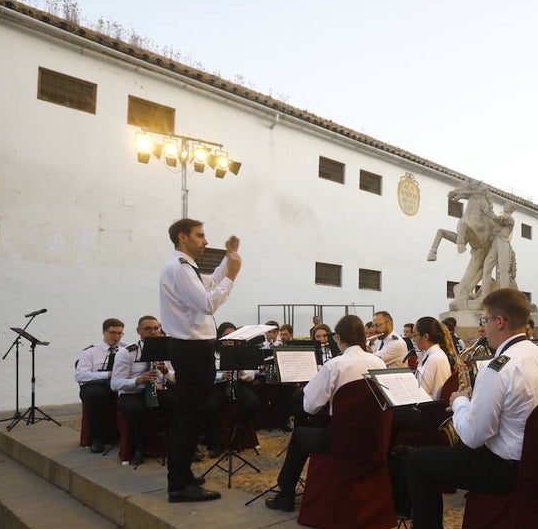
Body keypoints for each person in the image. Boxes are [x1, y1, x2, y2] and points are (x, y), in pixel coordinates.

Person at [388, 288, 538, 529]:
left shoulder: (499, 368)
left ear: (499, 321)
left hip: (508, 468)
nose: (483, 328)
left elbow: (472, 437)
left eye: (484, 320)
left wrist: (459, 400)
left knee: (418, 463)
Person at [265, 315, 385, 511]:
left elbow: (310, 406)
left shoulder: (335, 365)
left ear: (337, 337)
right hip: (372, 435)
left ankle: (285, 495)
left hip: (341, 439)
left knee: (299, 435)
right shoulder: (378, 363)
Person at [158, 218, 241, 503]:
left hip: (194, 349)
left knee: (191, 414)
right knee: (189, 416)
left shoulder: (187, 268)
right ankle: (179, 484)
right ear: (183, 237)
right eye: (200, 235)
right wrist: (232, 277)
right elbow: (207, 304)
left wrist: (229, 260)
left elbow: (209, 283)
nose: (206, 241)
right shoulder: (179, 269)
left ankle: (181, 473)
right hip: (190, 349)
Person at [110, 315, 175, 466]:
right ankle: (138, 449)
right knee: (135, 409)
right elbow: (115, 383)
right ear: (138, 330)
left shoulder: (166, 350)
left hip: (157, 389)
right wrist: (138, 380)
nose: (153, 332)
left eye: (156, 328)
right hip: (133, 392)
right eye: (148, 329)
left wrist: (165, 371)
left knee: (177, 405)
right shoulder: (127, 353)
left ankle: (173, 447)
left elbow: (174, 376)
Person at [205, 322, 261, 458]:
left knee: (252, 403)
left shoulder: (244, 351)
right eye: (226, 336)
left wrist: (242, 372)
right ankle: (217, 443)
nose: (230, 339)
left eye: (233, 335)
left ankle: (240, 438)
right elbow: (205, 374)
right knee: (210, 406)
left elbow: (252, 374)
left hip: (238, 384)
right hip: (219, 385)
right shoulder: (213, 352)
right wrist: (220, 376)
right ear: (220, 337)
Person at [75, 318, 126, 454]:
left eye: (120, 333)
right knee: (95, 395)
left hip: (118, 385)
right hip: (95, 386)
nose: (116, 337)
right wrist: (107, 374)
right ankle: (98, 439)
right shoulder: (90, 352)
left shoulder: (125, 351)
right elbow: (80, 375)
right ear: (104, 332)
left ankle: (126, 439)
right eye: (112, 333)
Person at [412, 316, 455, 401]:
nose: (413, 340)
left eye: (414, 335)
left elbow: (421, 391)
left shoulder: (434, 358)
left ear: (425, 337)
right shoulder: (431, 354)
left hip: (430, 409)